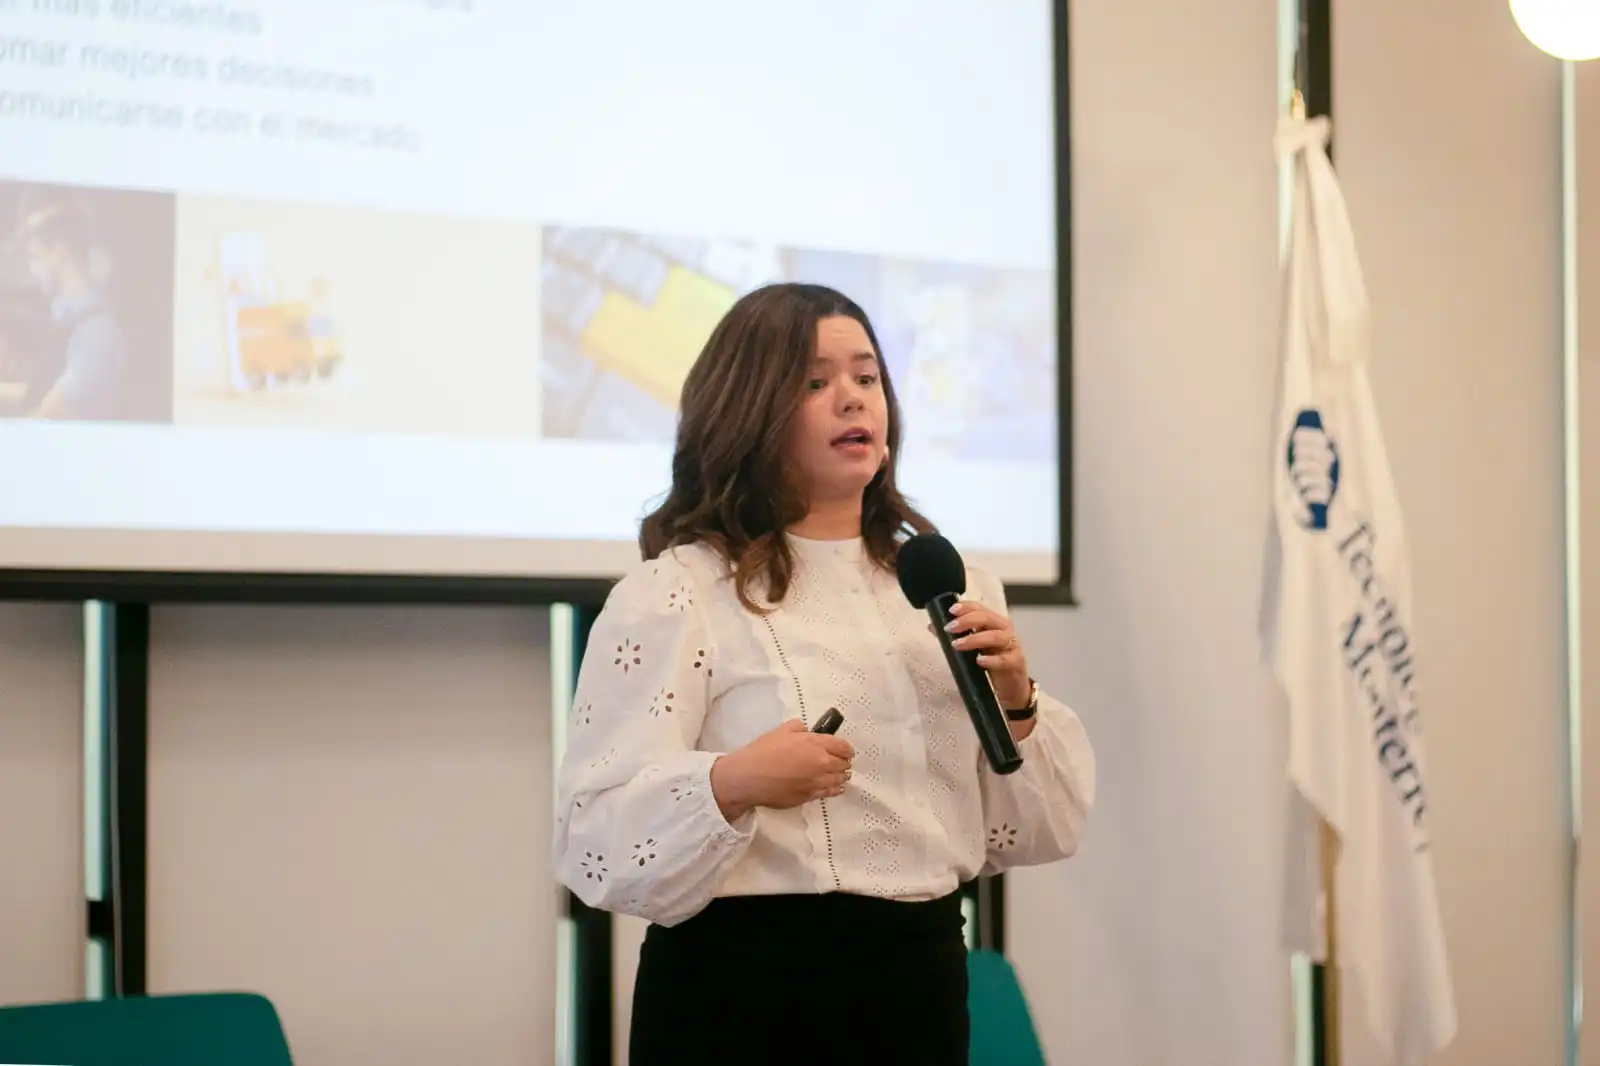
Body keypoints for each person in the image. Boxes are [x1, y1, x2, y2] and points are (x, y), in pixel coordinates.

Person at [551, 282, 1096, 1066]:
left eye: (866, 377)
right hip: (741, 998)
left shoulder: (949, 583)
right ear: (749, 409)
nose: (852, 399)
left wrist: (1018, 703)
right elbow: (591, 835)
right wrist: (734, 781)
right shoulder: (679, 591)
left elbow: (1039, 828)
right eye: (815, 382)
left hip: (918, 985)